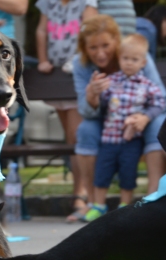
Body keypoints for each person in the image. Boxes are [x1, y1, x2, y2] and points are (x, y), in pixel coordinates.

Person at [70, 15, 166, 222]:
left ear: (116, 40)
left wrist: (143, 116)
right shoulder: (81, 66)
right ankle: (94, 203)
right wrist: (92, 95)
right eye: (93, 48)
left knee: (158, 124)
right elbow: (86, 112)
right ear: (84, 48)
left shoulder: (135, 55)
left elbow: (162, 99)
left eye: (106, 45)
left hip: (141, 119)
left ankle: (154, 201)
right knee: (86, 130)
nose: (100, 53)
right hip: (107, 122)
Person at [35, 0, 97, 222]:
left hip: (77, 75)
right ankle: (80, 193)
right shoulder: (48, 3)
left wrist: (79, 60)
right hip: (58, 76)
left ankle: (84, 196)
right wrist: (42, 60)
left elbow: (90, 31)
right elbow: (42, 30)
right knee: (71, 139)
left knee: (77, 137)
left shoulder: (86, 2)